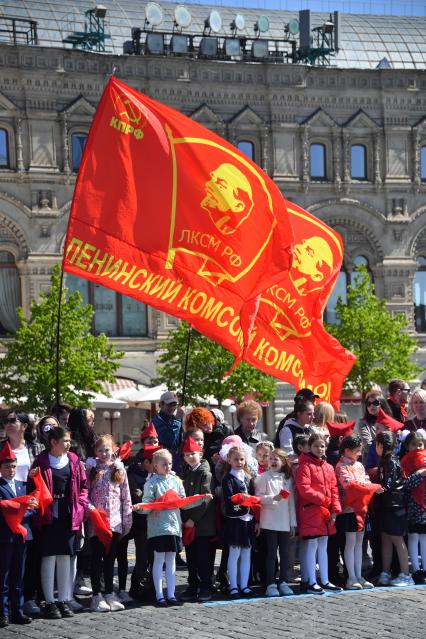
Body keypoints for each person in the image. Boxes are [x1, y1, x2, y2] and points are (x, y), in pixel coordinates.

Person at [29, 425, 88, 619]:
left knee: (65, 557)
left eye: (69, 441)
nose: (68, 444)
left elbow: (83, 486)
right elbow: (33, 489)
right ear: (53, 442)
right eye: (65, 441)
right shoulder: (41, 462)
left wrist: (80, 505)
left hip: (68, 515)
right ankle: (50, 601)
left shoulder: (73, 460)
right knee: (49, 557)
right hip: (48, 517)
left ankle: (64, 599)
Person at [139, 448, 211, 607]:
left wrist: (201, 499)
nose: (168, 466)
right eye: (164, 464)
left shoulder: (176, 481)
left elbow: (184, 503)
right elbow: (147, 504)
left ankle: (171, 594)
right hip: (158, 527)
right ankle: (159, 595)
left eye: (170, 463)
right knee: (158, 560)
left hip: (173, 526)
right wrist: (141, 508)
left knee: (171, 559)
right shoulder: (151, 483)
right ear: (155, 465)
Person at [86, 434, 132, 612]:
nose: (104, 453)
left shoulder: (119, 469)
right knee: (96, 559)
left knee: (109, 560)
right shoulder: (91, 470)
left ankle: (109, 593)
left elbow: (125, 496)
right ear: (95, 452)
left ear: (114, 449)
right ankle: (96, 595)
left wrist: (126, 520)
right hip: (98, 523)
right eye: (100, 450)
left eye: (107, 449)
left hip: (115, 523)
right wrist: (92, 511)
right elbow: (85, 494)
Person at [335, 435, 383, 590]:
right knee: (350, 543)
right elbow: (350, 485)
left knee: (359, 543)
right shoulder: (341, 466)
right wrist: (371, 487)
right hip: (348, 509)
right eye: (356, 451)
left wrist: (369, 486)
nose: (359, 454)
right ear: (347, 451)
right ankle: (351, 577)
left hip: (362, 508)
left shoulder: (360, 466)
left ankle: (359, 576)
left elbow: (366, 482)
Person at [295, 433, 342, 594]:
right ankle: (311, 581)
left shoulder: (328, 467)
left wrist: (335, 508)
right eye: (316, 446)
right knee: (312, 545)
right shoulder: (305, 466)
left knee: (323, 545)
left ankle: (325, 579)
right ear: (310, 447)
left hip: (325, 512)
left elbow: (334, 489)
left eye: (322, 446)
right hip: (311, 510)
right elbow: (304, 489)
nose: (319, 449)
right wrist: (324, 500)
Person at [0, 443, 38, 628]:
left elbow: (33, 507)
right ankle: (3, 613)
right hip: (5, 536)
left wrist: (21, 511)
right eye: (7, 466)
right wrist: (20, 509)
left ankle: (18, 610)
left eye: (13, 466)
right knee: (4, 576)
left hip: (22, 535)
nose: (11, 470)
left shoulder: (23, 486)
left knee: (19, 575)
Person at [255, 448, 296, 597]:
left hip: (284, 521)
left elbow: (291, 503)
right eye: (271, 458)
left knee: (285, 553)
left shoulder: (288, 479)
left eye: (276, 458)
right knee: (271, 553)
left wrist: (293, 523)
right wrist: (273, 498)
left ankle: (283, 581)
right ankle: (270, 583)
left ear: (283, 462)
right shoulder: (264, 477)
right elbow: (258, 497)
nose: (273, 461)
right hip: (270, 521)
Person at [375, 430, 413, 586]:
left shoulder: (390, 461)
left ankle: (406, 574)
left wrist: (371, 487)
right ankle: (385, 572)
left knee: (397, 539)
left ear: (380, 445)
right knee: (385, 539)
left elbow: (388, 485)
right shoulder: (386, 460)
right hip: (386, 505)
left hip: (394, 506)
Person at [180, 437, 216, 603]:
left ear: (200, 454)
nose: (190, 457)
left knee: (203, 557)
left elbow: (205, 499)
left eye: (193, 454)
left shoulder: (205, 474)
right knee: (191, 556)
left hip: (202, 524)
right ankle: (193, 584)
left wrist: (193, 519)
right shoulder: (186, 473)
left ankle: (206, 585)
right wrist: (184, 517)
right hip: (189, 523)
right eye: (187, 454)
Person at [126, 444, 161, 600]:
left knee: (156, 557)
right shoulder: (134, 477)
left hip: (159, 523)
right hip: (142, 525)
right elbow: (139, 498)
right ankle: (137, 587)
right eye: (155, 461)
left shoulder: (164, 476)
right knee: (142, 557)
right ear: (146, 462)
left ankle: (152, 588)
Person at [221, 445, 255, 598]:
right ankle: (233, 585)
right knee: (234, 553)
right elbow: (229, 499)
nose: (239, 462)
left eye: (242, 459)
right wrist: (242, 501)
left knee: (247, 553)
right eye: (236, 459)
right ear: (229, 460)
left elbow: (253, 498)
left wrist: (253, 514)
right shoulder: (228, 478)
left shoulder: (248, 478)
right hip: (235, 520)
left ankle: (244, 584)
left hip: (248, 520)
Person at [401, 431, 426, 584]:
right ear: (406, 446)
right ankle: (416, 570)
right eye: (413, 445)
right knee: (413, 535)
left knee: (424, 537)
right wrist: (419, 474)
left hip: (424, 504)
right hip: (412, 503)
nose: (417, 448)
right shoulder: (405, 462)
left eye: (420, 444)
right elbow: (405, 484)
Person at [1, 411, 44, 483]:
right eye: (6, 421)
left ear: (24, 426)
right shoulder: (1, 448)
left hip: (30, 492)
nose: (8, 424)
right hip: (4, 493)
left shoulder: (37, 448)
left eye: (13, 421)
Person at [357, 391, 392, 468]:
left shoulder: (390, 421)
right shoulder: (363, 423)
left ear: (382, 404)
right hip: (372, 464)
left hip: (390, 461)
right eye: (368, 404)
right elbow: (367, 445)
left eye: (375, 403)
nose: (371, 406)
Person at [152, 391, 183, 471]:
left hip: (176, 462)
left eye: (174, 405)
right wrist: (177, 420)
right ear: (161, 405)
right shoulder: (157, 420)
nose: (172, 408)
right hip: (163, 463)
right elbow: (169, 440)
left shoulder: (174, 419)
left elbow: (179, 442)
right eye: (169, 404)